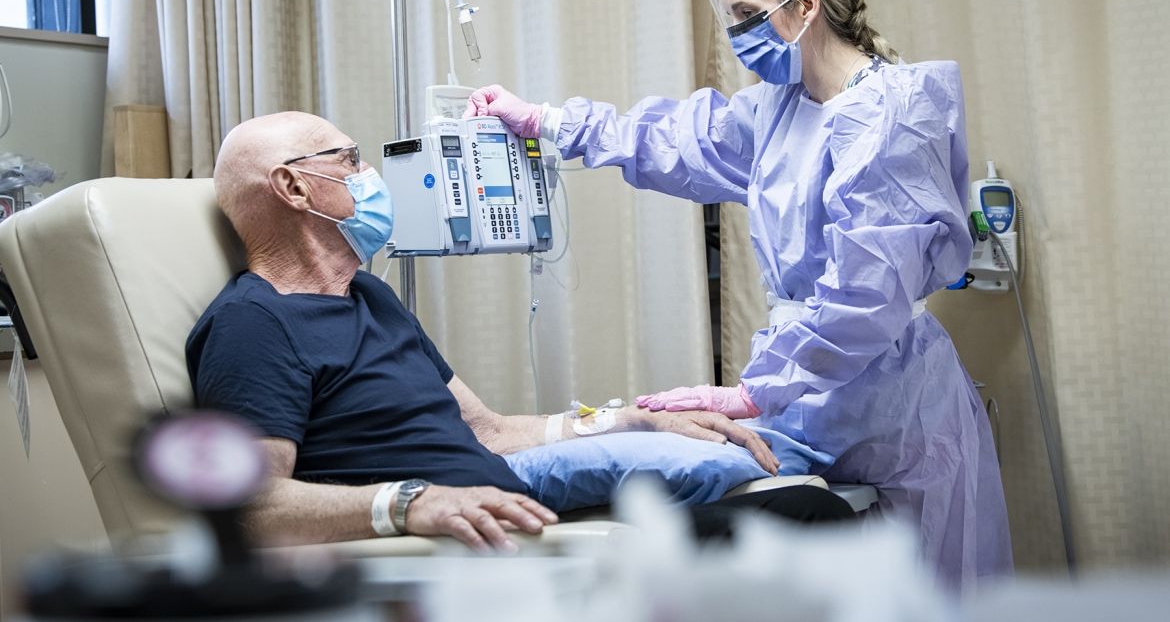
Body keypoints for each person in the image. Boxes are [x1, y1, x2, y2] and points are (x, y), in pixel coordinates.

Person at [465, 0, 1012, 588]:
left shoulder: (890, 116)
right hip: (807, 392)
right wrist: (549, 121)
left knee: (916, 583)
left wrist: (757, 391)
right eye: (730, 18)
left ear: (805, 5)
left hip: (892, 403)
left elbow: (866, 296)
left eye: (749, 15)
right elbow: (672, 141)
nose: (736, 36)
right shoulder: (778, 110)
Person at [189, 110, 830, 553]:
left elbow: (490, 432)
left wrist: (631, 419)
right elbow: (246, 506)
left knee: (802, 504)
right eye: (349, 159)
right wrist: (407, 504)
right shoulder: (254, 325)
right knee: (806, 523)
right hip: (463, 554)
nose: (368, 174)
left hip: (518, 509)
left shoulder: (370, 297)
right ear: (295, 186)